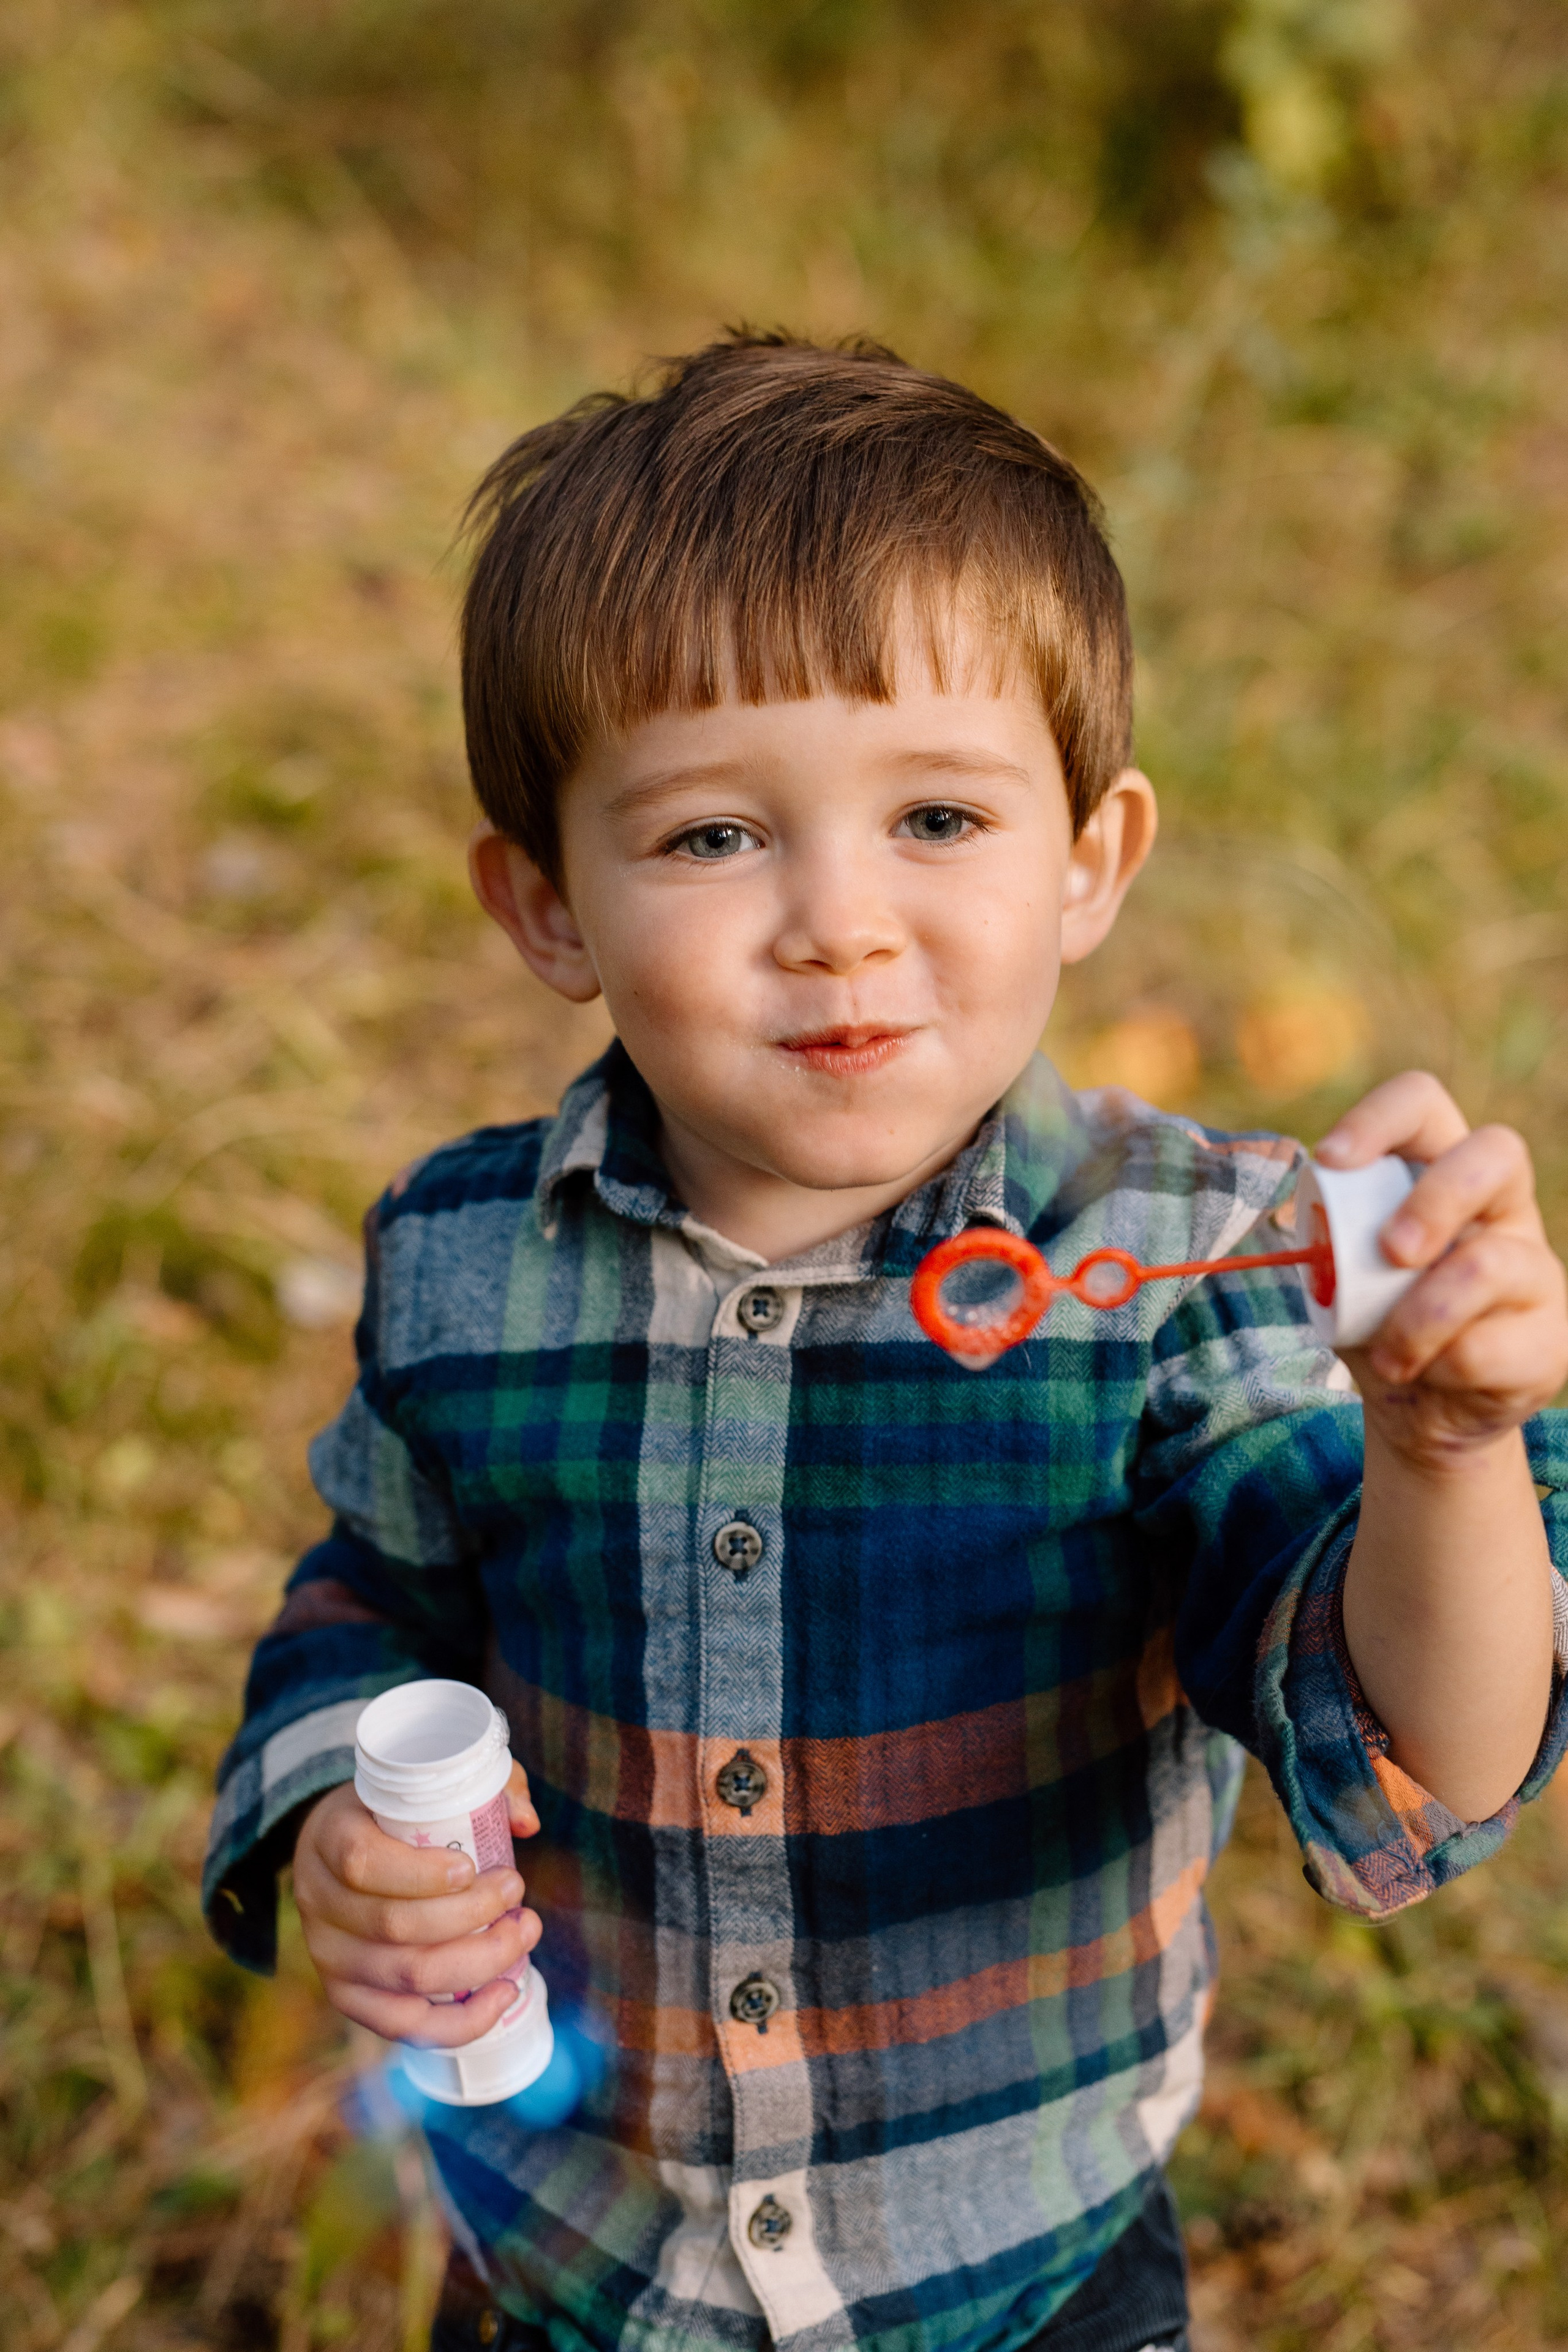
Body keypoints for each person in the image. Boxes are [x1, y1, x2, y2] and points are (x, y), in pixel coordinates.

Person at [203, 333, 1568, 2352]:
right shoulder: (466, 1262)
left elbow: (1416, 1755)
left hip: (1022, 2282)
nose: (838, 921)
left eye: (936, 817)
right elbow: (367, 1609)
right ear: (548, 907)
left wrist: (1443, 1456)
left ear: (1090, 860)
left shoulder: (1184, 1271)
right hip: (574, 2271)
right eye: (711, 839)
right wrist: (338, 1811)